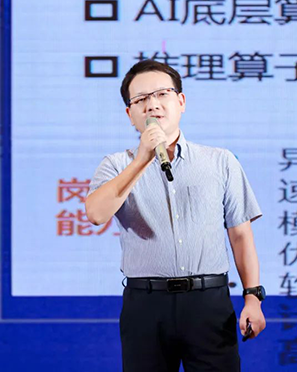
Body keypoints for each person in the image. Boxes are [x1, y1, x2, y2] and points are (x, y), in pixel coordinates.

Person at [85, 60, 266, 371]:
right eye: (141, 99)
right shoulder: (116, 165)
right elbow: (96, 214)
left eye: (162, 94)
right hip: (146, 304)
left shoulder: (220, 161)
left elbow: (240, 235)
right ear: (130, 114)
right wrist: (142, 160)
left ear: (181, 101)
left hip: (209, 302)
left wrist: (252, 298)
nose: (152, 104)